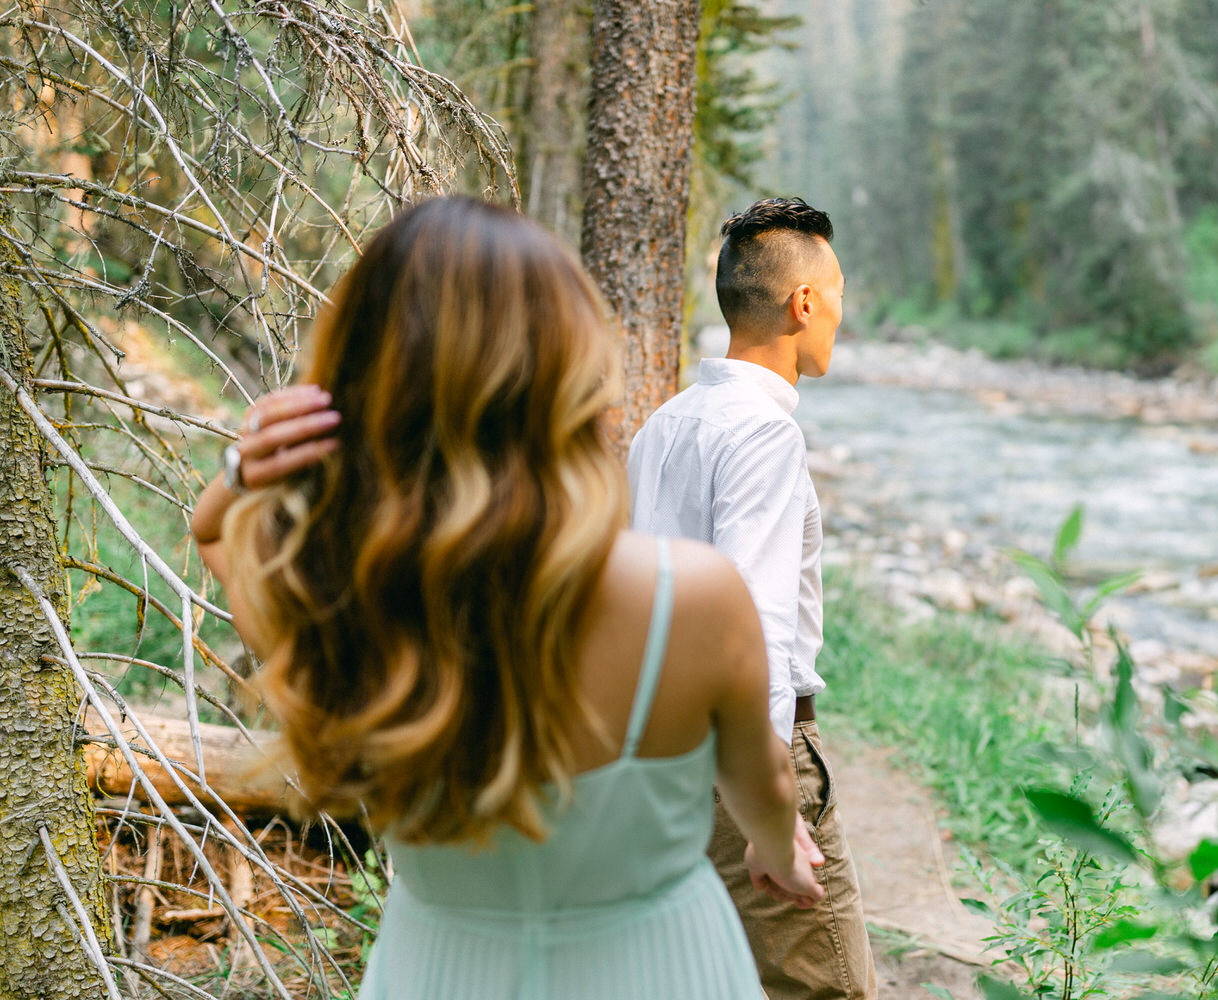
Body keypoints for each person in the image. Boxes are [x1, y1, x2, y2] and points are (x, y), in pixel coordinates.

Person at [189, 196, 826, 999]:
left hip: (440, 972)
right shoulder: (691, 598)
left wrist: (243, 471)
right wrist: (775, 846)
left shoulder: (337, 609)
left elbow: (214, 539)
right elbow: (762, 784)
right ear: (571, 381)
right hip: (662, 966)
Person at [628, 197, 877, 1000]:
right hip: (746, 761)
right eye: (837, 288)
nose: (841, 307)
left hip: (662, 755)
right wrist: (773, 809)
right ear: (804, 302)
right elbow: (754, 626)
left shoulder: (665, 425)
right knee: (827, 987)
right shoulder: (766, 434)